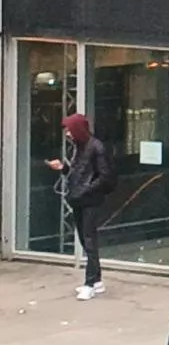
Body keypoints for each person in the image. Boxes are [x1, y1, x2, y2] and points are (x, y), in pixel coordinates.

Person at [46, 114, 114, 302]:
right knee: (86, 240)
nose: (67, 134)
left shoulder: (96, 147)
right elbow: (78, 172)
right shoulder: (80, 147)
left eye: (69, 129)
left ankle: (90, 283)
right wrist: (62, 168)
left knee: (89, 240)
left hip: (89, 199)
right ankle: (96, 280)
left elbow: (105, 176)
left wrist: (86, 189)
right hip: (79, 198)